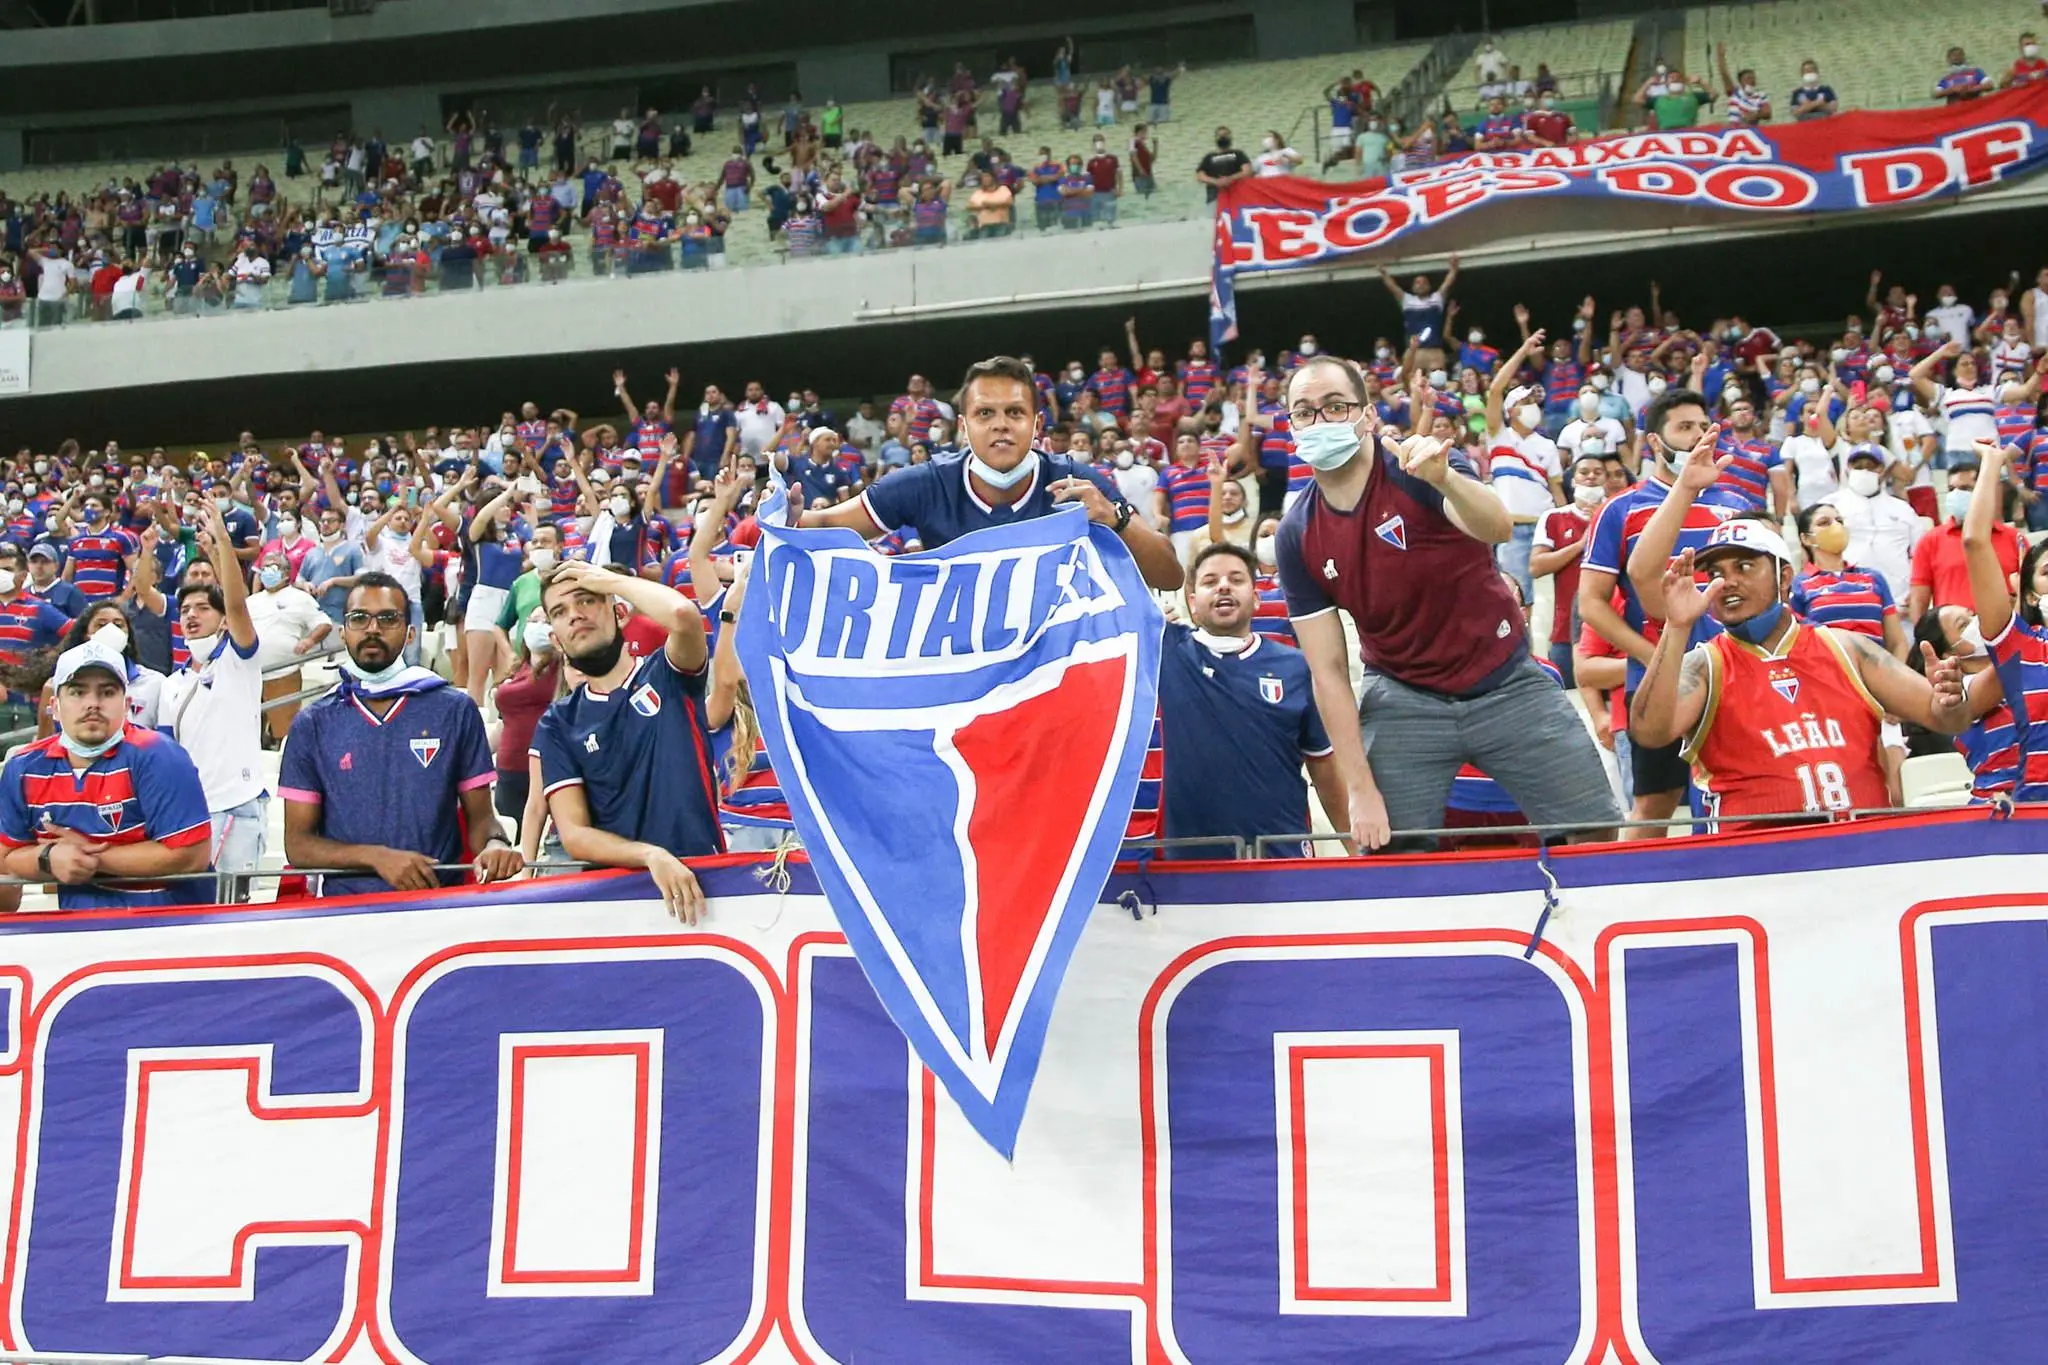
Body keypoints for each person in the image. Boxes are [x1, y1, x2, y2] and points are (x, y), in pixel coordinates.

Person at [1275, 354, 1618, 851]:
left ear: (1369, 416)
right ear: (1291, 426)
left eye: (1335, 406)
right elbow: (1327, 671)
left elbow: (1496, 527)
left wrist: (1446, 479)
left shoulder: (1419, 466)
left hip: (1506, 681)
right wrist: (1360, 788)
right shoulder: (1297, 533)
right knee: (1388, 851)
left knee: (1595, 832)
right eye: (1304, 412)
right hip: (1401, 696)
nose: (1319, 421)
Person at [1630, 518, 1969, 827]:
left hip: (1862, 854)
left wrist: (1951, 700)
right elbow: (1650, 733)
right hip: (1758, 866)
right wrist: (1677, 627)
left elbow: (1945, 718)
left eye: (1745, 566)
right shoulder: (1705, 663)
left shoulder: (1847, 648)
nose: (1728, 582)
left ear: (1784, 577)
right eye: (1716, 574)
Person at [799, 356, 1184, 590]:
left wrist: (1114, 520)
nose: (1001, 424)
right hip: (964, 671)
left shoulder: (1076, 482)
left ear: (1036, 424)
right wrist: (781, 511)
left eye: (1014, 413)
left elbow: (1170, 576)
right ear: (964, 426)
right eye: (986, 413)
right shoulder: (927, 483)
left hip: (1052, 679)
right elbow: (825, 523)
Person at [280, 574, 524, 897]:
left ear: (411, 634)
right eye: (359, 618)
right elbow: (298, 846)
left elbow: (482, 822)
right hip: (343, 914)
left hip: (437, 905)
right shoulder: (312, 723)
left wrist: (495, 845)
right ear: (343, 632)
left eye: (388, 618)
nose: (372, 629)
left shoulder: (455, 710)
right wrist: (377, 858)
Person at [1581, 387, 1748, 837]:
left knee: (1735, 790)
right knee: (1655, 801)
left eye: (1701, 425)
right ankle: (1633, 897)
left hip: (1734, 672)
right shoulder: (1620, 509)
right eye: (1683, 428)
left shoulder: (1734, 506)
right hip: (1659, 680)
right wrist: (1649, 654)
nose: (1697, 436)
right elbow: (1590, 603)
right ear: (1655, 442)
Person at [531, 560, 722, 923]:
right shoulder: (557, 723)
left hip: (706, 884)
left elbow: (683, 613)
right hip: (616, 902)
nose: (575, 615)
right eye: (560, 611)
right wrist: (651, 855)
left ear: (619, 613)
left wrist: (612, 579)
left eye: (587, 600)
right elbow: (574, 834)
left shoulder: (666, 674)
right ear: (556, 639)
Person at [1154, 543, 1343, 858]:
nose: (1224, 586)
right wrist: (1146, 626)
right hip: (1189, 862)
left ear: (1257, 599)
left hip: (1280, 854)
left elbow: (1324, 770)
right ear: (1192, 603)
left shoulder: (1296, 667)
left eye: (1237, 579)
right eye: (1210, 581)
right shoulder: (1164, 653)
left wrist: (1356, 848)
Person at [0, 641, 211, 910]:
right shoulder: (23, 767)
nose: (92, 704)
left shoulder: (159, 756)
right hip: (81, 931)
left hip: (169, 928)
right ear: (54, 704)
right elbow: (7, 858)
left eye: (107, 692)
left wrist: (90, 857)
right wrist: (49, 857)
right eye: (77, 692)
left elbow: (192, 856)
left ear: (126, 704)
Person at [158, 500, 271, 887]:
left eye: (203, 608)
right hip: (186, 813)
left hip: (237, 805)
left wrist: (222, 540)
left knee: (233, 918)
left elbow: (238, 603)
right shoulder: (170, 684)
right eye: (185, 609)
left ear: (222, 619)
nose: (191, 615)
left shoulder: (239, 659)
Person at [1963, 440, 2048, 800]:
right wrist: (1992, 464)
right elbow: (1975, 542)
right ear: (2029, 595)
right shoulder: (2020, 647)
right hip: (2031, 829)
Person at [1531, 452, 1610, 684]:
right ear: (1573, 480)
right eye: (1584, 472)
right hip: (1565, 631)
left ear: (1606, 480)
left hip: (1611, 630)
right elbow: (1536, 567)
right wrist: (1580, 545)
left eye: (1598, 473)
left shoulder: (1616, 512)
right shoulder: (1553, 518)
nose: (1591, 477)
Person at [1909, 459, 2021, 622]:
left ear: (1985, 491)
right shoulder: (1930, 541)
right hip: (1954, 639)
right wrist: (1921, 640)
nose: (1956, 495)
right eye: (1951, 489)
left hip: (2006, 635)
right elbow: (1919, 600)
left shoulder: (2014, 539)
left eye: (1965, 489)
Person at [1792, 503, 1908, 659]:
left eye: (1839, 521)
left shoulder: (1873, 578)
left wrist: (1894, 678)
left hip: (1877, 676)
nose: (1836, 526)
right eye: (1824, 522)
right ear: (1805, 538)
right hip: (1829, 675)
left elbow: (1898, 642)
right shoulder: (1799, 585)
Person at [1822, 443, 1921, 603]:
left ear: (1882, 469)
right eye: (1858, 466)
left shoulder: (1902, 509)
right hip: (1846, 596)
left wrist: (1916, 590)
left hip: (1898, 599)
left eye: (1871, 466)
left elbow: (1919, 552)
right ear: (1848, 468)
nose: (1864, 471)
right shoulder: (1829, 506)